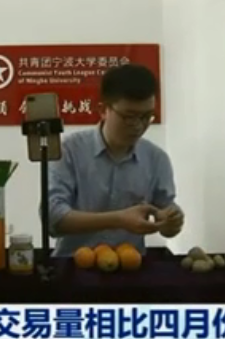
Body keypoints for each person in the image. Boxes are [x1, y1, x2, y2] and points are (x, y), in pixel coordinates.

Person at [45, 63, 183, 256]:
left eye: (147, 117)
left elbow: (166, 217)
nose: (138, 126)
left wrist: (171, 221)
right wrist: (119, 219)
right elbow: (53, 218)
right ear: (103, 110)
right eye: (129, 116)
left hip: (131, 264)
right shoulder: (69, 151)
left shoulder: (156, 159)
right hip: (74, 265)